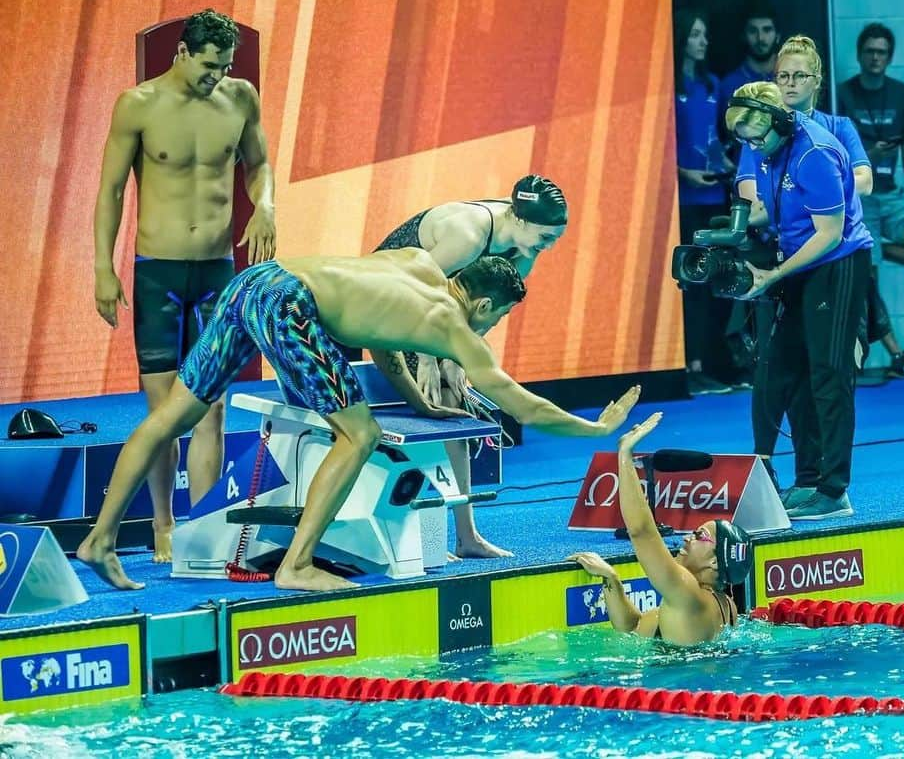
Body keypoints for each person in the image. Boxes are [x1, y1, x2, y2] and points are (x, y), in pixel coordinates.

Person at [77, 253, 640, 592]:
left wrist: (420, 401)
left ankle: (99, 541)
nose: (492, 329)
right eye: (499, 318)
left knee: (170, 416)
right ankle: (296, 564)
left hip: (254, 281)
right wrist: (593, 429)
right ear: (489, 305)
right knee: (361, 433)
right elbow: (521, 404)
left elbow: (383, 340)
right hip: (287, 303)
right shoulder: (454, 327)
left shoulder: (417, 265)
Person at [92, 9, 276, 563]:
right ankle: (163, 525)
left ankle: (205, 525)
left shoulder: (240, 98)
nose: (214, 77)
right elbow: (111, 192)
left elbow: (258, 163)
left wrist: (265, 205)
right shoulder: (140, 104)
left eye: (223, 67)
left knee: (212, 408)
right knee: (164, 411)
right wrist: (104, 267)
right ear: (181, 53)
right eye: (207, 66)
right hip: (160, 274)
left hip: (217, 270)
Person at [369, 174, 569, 558]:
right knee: (437, 397)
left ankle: (466, 536)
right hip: (388, 292)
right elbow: (418, 289)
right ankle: (425, 537)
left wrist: (459, 357)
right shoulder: (469, 235)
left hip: (430, 310)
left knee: (454, 402)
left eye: (555, 239)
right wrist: (428, 356)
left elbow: (485, 313)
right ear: (520, 219)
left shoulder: (525, 251)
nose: (549, 246)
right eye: (546, 236)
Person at [726, 81, 874, 520]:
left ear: (781, 122)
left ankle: (834, 490)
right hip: (801, 262)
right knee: (783, 367)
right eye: (745, 139)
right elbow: (777, 208)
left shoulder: (814, 154)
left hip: (838, 262)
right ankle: (807, 479)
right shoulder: (772, 149)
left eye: (756, 137)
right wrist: (729, 230)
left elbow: (829, 234)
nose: (752, 147)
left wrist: (774, 275)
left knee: (830, 374)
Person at [567, 413, 751, 645]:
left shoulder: (688, 594)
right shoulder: (724, 605)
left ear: (715, 562)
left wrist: (624, 454)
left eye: (698, 536)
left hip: (673, 680)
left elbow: (641, 531)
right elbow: (633, 628)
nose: (686, 539)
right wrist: (610, 579)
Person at [837, 23, 904, 379]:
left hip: (892, 194)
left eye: (881, 52)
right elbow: (836, 158)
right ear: (859, 55)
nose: (875, 57)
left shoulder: (903, 94)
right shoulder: (843, 94)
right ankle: (891, 356)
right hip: (860, 199)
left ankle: (878, 247)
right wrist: (870, 151)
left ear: (890, 57)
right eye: (870, 51)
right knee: (868, 284)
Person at [673, 9, 738, 394]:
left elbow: (714, 140)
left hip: (714, 195)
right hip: (684, 200)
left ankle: (714, 363)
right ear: (682, 39)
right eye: (697, 35)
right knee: (691, 286)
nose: (704, 41)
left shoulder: (712, 83)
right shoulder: (669, 83)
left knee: (717, 281)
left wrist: (728, 166)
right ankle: (691, 365)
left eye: (705, 35)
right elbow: (665, 144)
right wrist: (684, 174)